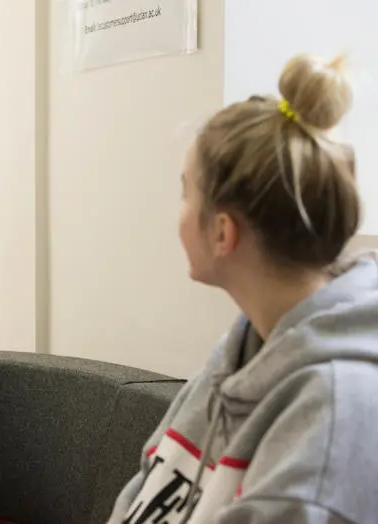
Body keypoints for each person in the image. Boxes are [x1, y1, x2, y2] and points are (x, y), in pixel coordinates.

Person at [107, 54, 378, 523]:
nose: (179, 212)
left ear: (222, 233)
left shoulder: (336, 411)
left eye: (186, 193)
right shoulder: (245, 347)